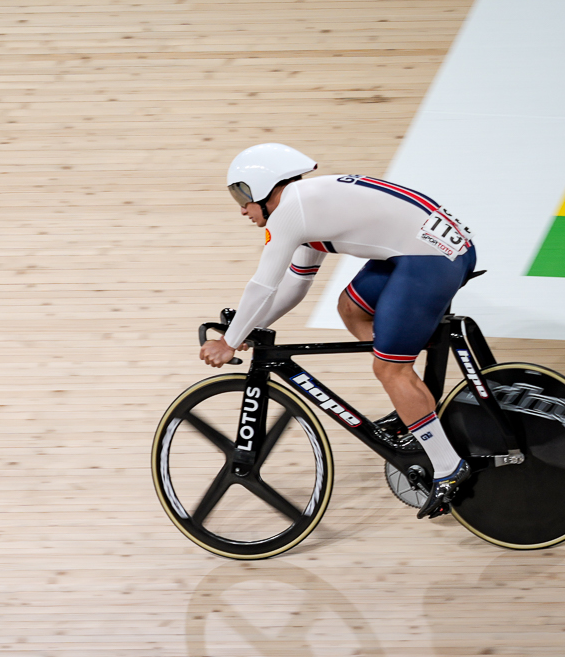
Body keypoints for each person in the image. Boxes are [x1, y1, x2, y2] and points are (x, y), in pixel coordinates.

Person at [199, 145, 479, 519]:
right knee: (351, 307)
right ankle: (412, 397)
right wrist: (255, 327)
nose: (241, 209)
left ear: (266, 188)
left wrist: (230, 340)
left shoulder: (289, 213)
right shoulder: (304, 207)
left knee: (389, 369)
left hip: (430, 259)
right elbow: (293, 287)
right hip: (424, 250)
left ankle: (448, 467)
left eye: (242, 195)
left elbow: (262, 286)